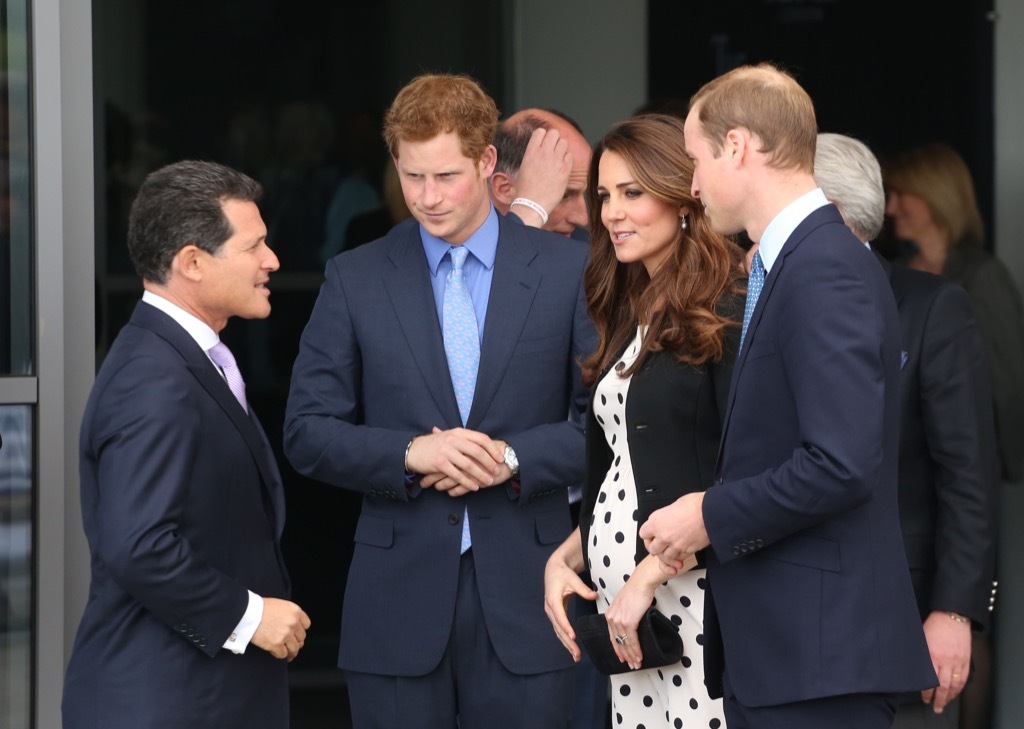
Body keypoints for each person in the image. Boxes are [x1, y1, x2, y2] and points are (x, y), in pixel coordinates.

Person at [283, 73, 596, 729]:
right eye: (412, 175)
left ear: (487, 163)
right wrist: (408, 450)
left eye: (446, 176)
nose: (427, 197)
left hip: (532, 591)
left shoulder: (570, 270)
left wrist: (513, 457)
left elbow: (605, 424)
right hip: (395, 602)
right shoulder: (355, 276)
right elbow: (307, 430)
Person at [638, 63, 937, 728]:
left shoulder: (823, 268)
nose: (691, 184)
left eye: (696, 158)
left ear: (739, 146)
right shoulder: (800, 261)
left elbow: (840, 462)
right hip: (793, 652)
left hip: (818, 656)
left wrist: (708, 514)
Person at [62, 160, 311, 729]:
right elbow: (140, 546)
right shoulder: (153, 378)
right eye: (255, 247)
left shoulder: (180, 358)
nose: (272, 261)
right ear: (192, 263)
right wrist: (250, 617)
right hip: (168, 701)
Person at [544, 113, 742, 728]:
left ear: (683, 198)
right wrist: (565, 558)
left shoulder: (727, 305)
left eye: (633, 193)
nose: (611, 213)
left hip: (691, 596)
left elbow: (741, 470)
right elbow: (629, 470)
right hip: (630, 608)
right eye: (604, 195)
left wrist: (647, 577)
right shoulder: (633, 306)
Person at [815, 132, 1000, 727]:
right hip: (790, 623)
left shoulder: (930, 306)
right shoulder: (748, 303)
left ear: (830, 209)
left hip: (902, 612)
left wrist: (955, 610)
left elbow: (967, 472)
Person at [884, 142, 1024, 487]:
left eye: (902, 194)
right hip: (910, 477)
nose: (890, 208)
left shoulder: (982, 275)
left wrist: (1008, 479)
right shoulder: (893, 273)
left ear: (936, 196)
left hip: (979, 475)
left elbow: (1008, 387)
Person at [489, 108, 591, 237]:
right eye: (563, 195)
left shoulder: (587, 251)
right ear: (504, 188)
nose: (582, 219)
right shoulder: (459, 249)